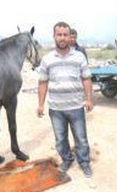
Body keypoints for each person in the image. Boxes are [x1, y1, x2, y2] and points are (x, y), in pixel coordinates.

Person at [37, 21, 94, 178]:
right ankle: (67, 160)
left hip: (76, 106)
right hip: (56, 109)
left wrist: (89, 99)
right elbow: (42, 82)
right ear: (54, 36)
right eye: (59, 35)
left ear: (70, 37)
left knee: (81, 138)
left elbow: (86, 79)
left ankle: (84, 163)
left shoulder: (79, 56)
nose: (62, 38)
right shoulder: (47, 59)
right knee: (60, 139)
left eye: (65, 35)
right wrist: (40, 105)